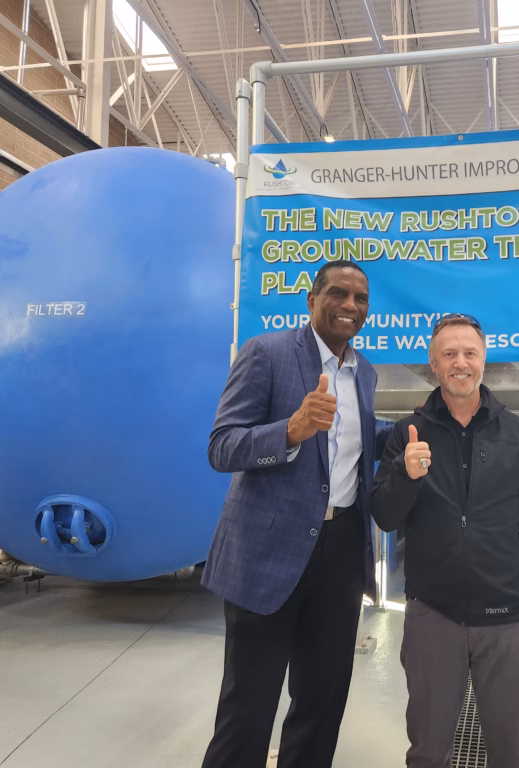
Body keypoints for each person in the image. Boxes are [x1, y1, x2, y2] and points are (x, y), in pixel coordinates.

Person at [370, 312, 519, 768]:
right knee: (427, 751)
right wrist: (406, 474)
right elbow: (383, 516)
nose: (460, 363)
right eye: (449, 354)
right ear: (433, 363)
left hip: (506, 620)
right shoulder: (408, 434)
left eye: (469, 353)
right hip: (431, 617)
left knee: (508, 751)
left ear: (483, 360)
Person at [200, 261, 379, 768]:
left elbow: (358, 442)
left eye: (360, 299)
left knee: (323, 701)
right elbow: (221, 447)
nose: (350, 306)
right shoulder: (267, 353)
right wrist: (290, 432)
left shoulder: (362, 371)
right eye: (338, 294)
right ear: (312, 300)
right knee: (248, 708)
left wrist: (413, 434)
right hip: (267, 553)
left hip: (340, 552)